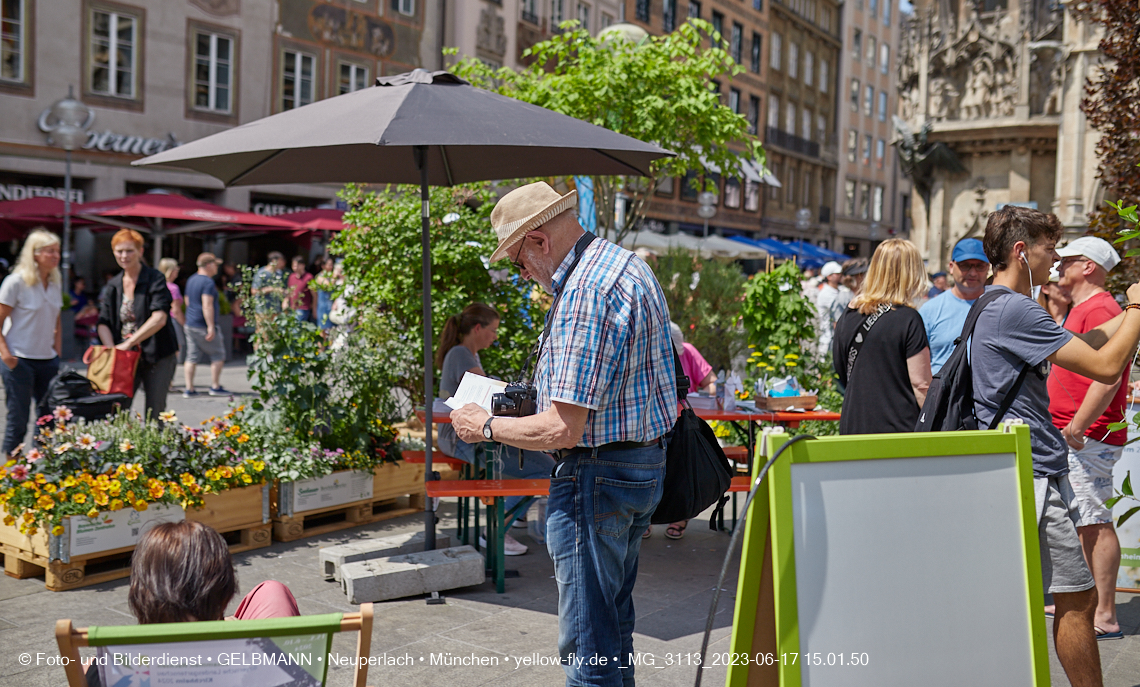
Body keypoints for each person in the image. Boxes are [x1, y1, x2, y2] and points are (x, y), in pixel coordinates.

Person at [450, 181, 677, 687]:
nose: (523, 272)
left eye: (518, 260)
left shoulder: (584, 290)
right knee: (612, 630)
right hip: (639, 465)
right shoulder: (625, 265)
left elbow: (561, 427)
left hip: (598, 475)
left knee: (588, 649)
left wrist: (484, 425)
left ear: (539, 241)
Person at [974, 206, 1140, 687]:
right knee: (1078, 599)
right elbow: (1107, 367)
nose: (1054, 261)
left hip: (1024, 465)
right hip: (1033, 471)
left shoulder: (994, 303)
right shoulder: (1016, 307)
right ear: (1022, 251)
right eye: (1049, 249)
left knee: (1046, 595)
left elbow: (1085, 344)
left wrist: (1119, 319)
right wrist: (1135, 307)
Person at [83, 520, 299, 686]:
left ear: (140, 592)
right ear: (225, 591)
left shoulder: (108, 670)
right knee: (272, 591)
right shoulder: (257, 663)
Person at [1047, 236, 1128, 641]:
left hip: (1087, 434)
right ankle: (1087, 605)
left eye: (1067, 261)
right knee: (1084, 520)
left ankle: (1106, 615)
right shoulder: (1087, 307)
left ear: (1089, 267)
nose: (1058, 267)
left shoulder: (1102, 307)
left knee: (1093, 520)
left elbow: (1108, 376)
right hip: (1077, 431)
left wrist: (1078, 426)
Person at [435, 302, 553, 556]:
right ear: (478, 328)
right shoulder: (461, 354)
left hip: (463, 437)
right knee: (546, 469)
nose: (495, 336)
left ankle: (514, 514)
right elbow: (487, 390)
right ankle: (498, 526)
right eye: (494, 330)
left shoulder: (466, 353)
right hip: (462, 439)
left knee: (539, 463)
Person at [832, 239, 931, 435]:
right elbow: (921, 385)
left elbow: (841, 370)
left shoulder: (849, 315)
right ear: (912, 273)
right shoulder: (908, 319)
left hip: (855, 424)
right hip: (898, 429)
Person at [97, 229, 179, 421]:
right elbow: (103, 321)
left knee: (155, 410)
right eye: (119, 251)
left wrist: (129, 342)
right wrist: (112, 350)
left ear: (140, 251)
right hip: (124, 357)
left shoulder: (154, 278)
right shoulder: (114, 284)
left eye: (129, 251)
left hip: (157, 353)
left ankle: (155, 450)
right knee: (117, 407)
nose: (124, 256)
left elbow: (159, 317)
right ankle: (123, 449)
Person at [649, 320, 715, 542]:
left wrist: (705, 399)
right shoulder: (647, 352)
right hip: (655, 424)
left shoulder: (688, 351)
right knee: (652, 471)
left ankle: (680, 516)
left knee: (682, 471)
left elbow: (710, 382)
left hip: (683, 423)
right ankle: (646, 519)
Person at [0, 229, 62, 455]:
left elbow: (56, 318)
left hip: (47, 360)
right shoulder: (15, 282)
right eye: (50, 251)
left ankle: (40, 469)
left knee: (49, 418)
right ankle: (11, 474)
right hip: (20, 359)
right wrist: (6, 355)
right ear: (35, 254)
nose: (56, 256)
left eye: (57, 251)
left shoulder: (55, 282)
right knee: (18, 419)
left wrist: (57, 351)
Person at [919, 237, 990, 374]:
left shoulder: (1000, 306)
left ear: (988, 268)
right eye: (965, 266)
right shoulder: (930, 310)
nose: (973, 273)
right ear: (951, 267)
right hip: (943, 393)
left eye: (979, 266)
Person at [183, 252, 229, 397]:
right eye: (215, 264)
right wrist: (210, 326)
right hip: (203, 324)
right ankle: (215, 386)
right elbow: (207, 305)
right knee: (218, 355)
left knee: (191, 357)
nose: (217, 268)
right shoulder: (208, 282)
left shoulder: (191, 279)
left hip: (190, 323)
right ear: (209, 265)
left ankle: (189, 388)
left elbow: (187, 301)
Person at [815, 260, 846, 358]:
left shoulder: (839, 290)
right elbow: (836, 316)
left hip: (835, 337)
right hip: (828, 339)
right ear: (829, 276)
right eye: (837, 274)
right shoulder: (826, 294)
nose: (840, 275)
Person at [157, 258, 185, 364]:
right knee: (175, 348)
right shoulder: (173, 288)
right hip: (172, 321)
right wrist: (184, 324)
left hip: (158, 320)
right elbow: (176, 310)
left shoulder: (157, 284)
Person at [287, 256, 314, 322]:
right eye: (293, 265)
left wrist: (314, 307)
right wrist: (286, 301)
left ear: (302, 265)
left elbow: (314, 294)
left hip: (303, 308)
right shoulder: (291, 276)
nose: (294, 267)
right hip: (292, 307)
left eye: (296, 266)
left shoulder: (309, 277)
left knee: (295, 330)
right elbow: (289, 291)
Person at [313, 256, 336, 329]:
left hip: (332, 308)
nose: (331, 267)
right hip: (323, 307)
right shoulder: (319, 277)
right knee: (323, 330)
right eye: (329, 264)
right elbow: (329, 286)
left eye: (332, 264)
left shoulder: (332, 276)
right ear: (323, 266)